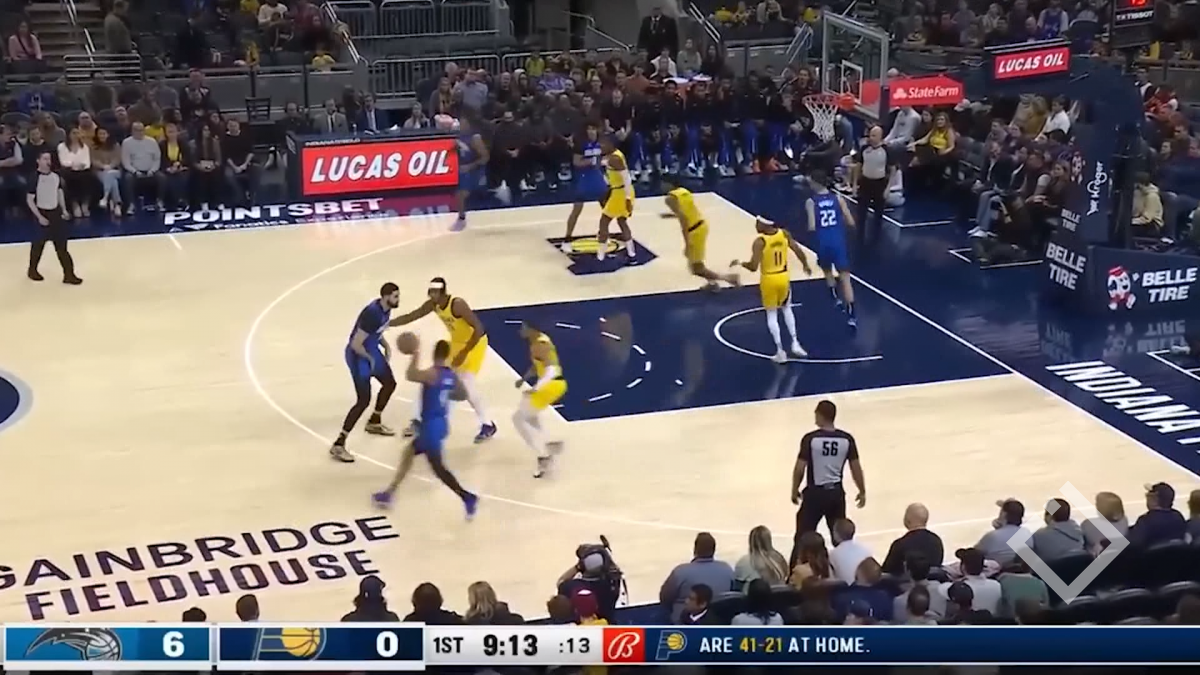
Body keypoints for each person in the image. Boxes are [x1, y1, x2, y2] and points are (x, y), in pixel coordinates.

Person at [372, 337, 479, 520]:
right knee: (408, 453)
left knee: (439, 469)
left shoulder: (432, 374)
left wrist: (415, 353)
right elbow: (463, 395)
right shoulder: (450, 375)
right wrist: (445, 393)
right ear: (447, 355)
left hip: (430, 427)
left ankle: (467, 497)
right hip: (441, 424)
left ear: (434, 353)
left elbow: (411, 375)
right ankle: (389, 493)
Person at [388, 278, 497, 443]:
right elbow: (412, 316)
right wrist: (388, 323)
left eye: (435, 292)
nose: (431, 295)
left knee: (466, 383)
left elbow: (479, 329)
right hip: (456, 343)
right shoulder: (433, 304)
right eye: (430, 292)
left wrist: (464, 353)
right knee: (431, 378)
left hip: (475, 344)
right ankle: (417, 421)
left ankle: (487, 424)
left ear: (443, 292)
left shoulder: (457, 305)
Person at [329, 283, 402, 463]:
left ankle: (374, 421)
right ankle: (339, 443)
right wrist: (369, 359)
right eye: (395, 296)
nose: (398, 299)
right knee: (363, 400)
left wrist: (385, 345)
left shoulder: (385, 309)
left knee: (390, 384)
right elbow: (355, 343)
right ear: (385, 297)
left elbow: (377, 331)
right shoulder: (372, 314)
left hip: (371, 350)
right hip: (359, 356)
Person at [790, 400, 866, 565]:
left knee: (803, 536)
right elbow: (856, 467)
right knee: (841, 539)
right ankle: (848, 567)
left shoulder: (811, 439)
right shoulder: (846, 439)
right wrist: (862, 490)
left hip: (815, 494)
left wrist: (794, 489)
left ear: (820, 415)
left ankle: (795, 571)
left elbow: (800, 468)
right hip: (836, 494)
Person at [731, 216, 812, 363]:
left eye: (758, 222)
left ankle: (780, 352)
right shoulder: (784, 234)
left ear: (765, 224)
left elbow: (753, 267)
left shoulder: (760, 242)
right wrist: (805, 264)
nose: (756, 225)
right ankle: (795, 343)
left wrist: (740, 263)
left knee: (772, 314)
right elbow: (797, 250)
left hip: (769, 279)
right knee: (787, 308)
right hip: (783, 277)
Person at [513, 322, 568, 478]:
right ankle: (548, 441)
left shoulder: (539, 345)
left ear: (532, 329)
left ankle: (543, 456)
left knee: (518, 419)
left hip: (551, 385)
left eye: (523, 327)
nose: (520, 330)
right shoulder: (540, 340)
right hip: (553, 384)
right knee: (531, 417)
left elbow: (552, 369)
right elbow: (537, 365)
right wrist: (524, 379)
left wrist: (536, 388)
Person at [662, 184, 739, 292]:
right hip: (701, 225)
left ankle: (729, 278)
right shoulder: (683, 191)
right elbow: (687, 211)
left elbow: (684, 221)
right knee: (696, 263)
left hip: (694, 231)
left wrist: (687, 244)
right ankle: (712, 283)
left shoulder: (669, 199)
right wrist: (673, 215)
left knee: (696, 268)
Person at [806, 169, 858, 328]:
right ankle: (852, 315)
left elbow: (812, 226)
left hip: (823, 242)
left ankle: (835, 297)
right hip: (838, 242)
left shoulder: (811, 202)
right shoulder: (838, 198)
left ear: (815, 183)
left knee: (827, 270)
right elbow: (851, 222)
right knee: (845, 278)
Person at [27, 150, 81, 285]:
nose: (48, 161)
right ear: (38, 161)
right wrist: (39, 217)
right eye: (45, 159)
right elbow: (29, 199)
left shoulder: (56, 176)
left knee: (62, 246)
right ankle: (32, 270)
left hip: (55, 213)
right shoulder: (34, 178)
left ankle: (69, 274)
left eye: (49, 159)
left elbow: (59, 193)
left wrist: (64, 209)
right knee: (38, 245)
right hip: (42, 212)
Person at [561, 122, 608, 251]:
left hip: (597, 177)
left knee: (606, 209)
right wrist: (591, 161)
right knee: (577, 209)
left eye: (593, 129)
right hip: (583, 178)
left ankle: (603, 233)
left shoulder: (603, 142)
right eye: (589, 129)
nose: (591, 131)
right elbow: (576, 162)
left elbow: (606, 157)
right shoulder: (580, 144)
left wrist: (604, 163)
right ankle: (567, 239)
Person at [597, 135, 637, 263]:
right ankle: (632, 254)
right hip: (620, 191)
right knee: (621, 221)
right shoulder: (613, 155)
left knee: (604, 222)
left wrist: (627, 198)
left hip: (621, 193)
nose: (601, 146)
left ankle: (600, 256)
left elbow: (626, 178)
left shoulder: (615, 159)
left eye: (603, 144)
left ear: (611, 144)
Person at [454, 115, 492, 230]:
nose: (461, 126)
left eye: (463, 123)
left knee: (464, 195)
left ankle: (464, 219)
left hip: (476, 170)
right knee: (459, 195)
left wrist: (470, 166)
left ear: (468, 125)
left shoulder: (475, 138)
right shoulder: (459, 137)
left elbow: (485, 157)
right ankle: (461, 218)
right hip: (464, 171)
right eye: (460, 123)